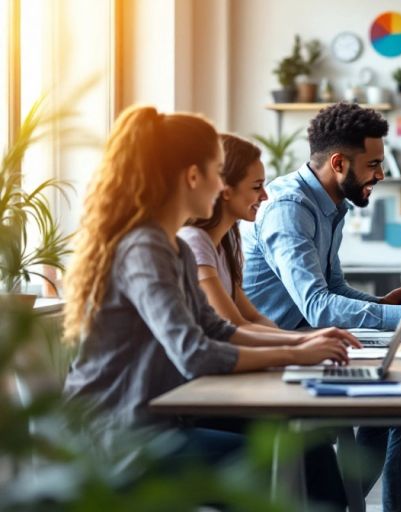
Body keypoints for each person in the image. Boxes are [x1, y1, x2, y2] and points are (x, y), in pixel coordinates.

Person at [61, 106, 357, 508]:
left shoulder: (175, 247)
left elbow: (215, 329)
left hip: (165, 419)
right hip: (122, 437)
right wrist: (296, 352)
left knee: (308, 440)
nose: (221, 186)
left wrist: (302, 349)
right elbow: (194, 352)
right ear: (193, 176)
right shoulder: (143, 247)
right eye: (218, 172)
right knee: (277, 456)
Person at [239, 102, 401, 510]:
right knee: (395, 408)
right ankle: (336, 503)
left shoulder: (331, 205)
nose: (381, 175)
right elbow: (318, 306)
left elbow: (334, 288)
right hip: (268, 358)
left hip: (304, 348)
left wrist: (381, 303)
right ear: (340, 163)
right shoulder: (290, 209)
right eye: (374, 164)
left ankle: (343, 503)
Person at [179, 133, 282, 330]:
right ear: (226, 190)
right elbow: (235, 327)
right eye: (256, 187)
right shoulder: (195, 240)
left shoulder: (227, 241)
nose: (265, 195)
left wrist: (305, 342)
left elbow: (254, 318)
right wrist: (305, 343)